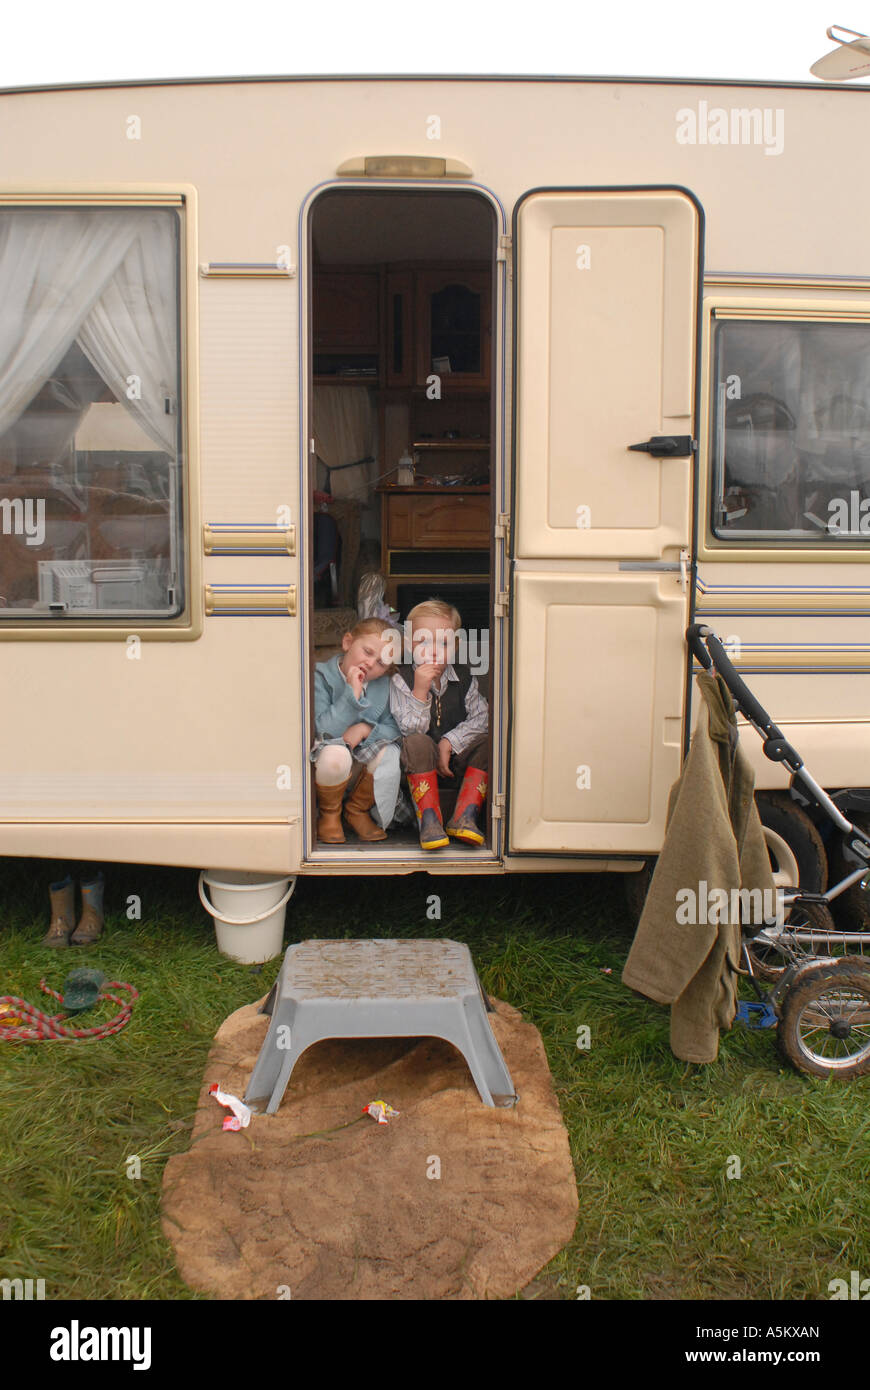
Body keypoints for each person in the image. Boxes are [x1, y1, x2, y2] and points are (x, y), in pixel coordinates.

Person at [390, 599, 489, 850]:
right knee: (416, 742)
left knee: (490, 743)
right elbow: (410, 730)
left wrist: (449, 742)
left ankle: (465, 816)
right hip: (418, 768)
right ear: (411, 644)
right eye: (424, 641)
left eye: (443, 643)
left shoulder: (464, 677)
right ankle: (430, 821)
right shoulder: (402, 679)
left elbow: (483, 718)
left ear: (455, 646)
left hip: (455, 764)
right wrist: (420, 691)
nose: (433, 650)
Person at [311, 617, 401, 843]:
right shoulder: (320, 677)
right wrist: (351, 693)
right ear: (347, 642)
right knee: (335, 754)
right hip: (328, 761)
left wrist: (364, 729)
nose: (371, 663)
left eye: (381, 663)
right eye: (367, 652)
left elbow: (394, 729)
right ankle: (330, 814)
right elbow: (324, 730)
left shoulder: (384, 686)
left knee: (390, 753)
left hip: (363, 763)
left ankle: (357, 810)